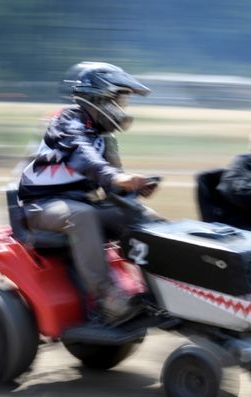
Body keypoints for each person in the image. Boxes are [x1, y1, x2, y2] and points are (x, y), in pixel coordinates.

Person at [17, 62, 155, 326]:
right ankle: (108, 299)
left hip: (76, 204)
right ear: (99, 98)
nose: (123, 107)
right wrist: (115, 177)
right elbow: (84, 155)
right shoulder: (66, 121)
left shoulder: (105, 140)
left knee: (141, 216)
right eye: (119, 99)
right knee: (83, 215)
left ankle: (161, 286)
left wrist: (134, 188)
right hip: (40, 206)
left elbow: (114, 188)